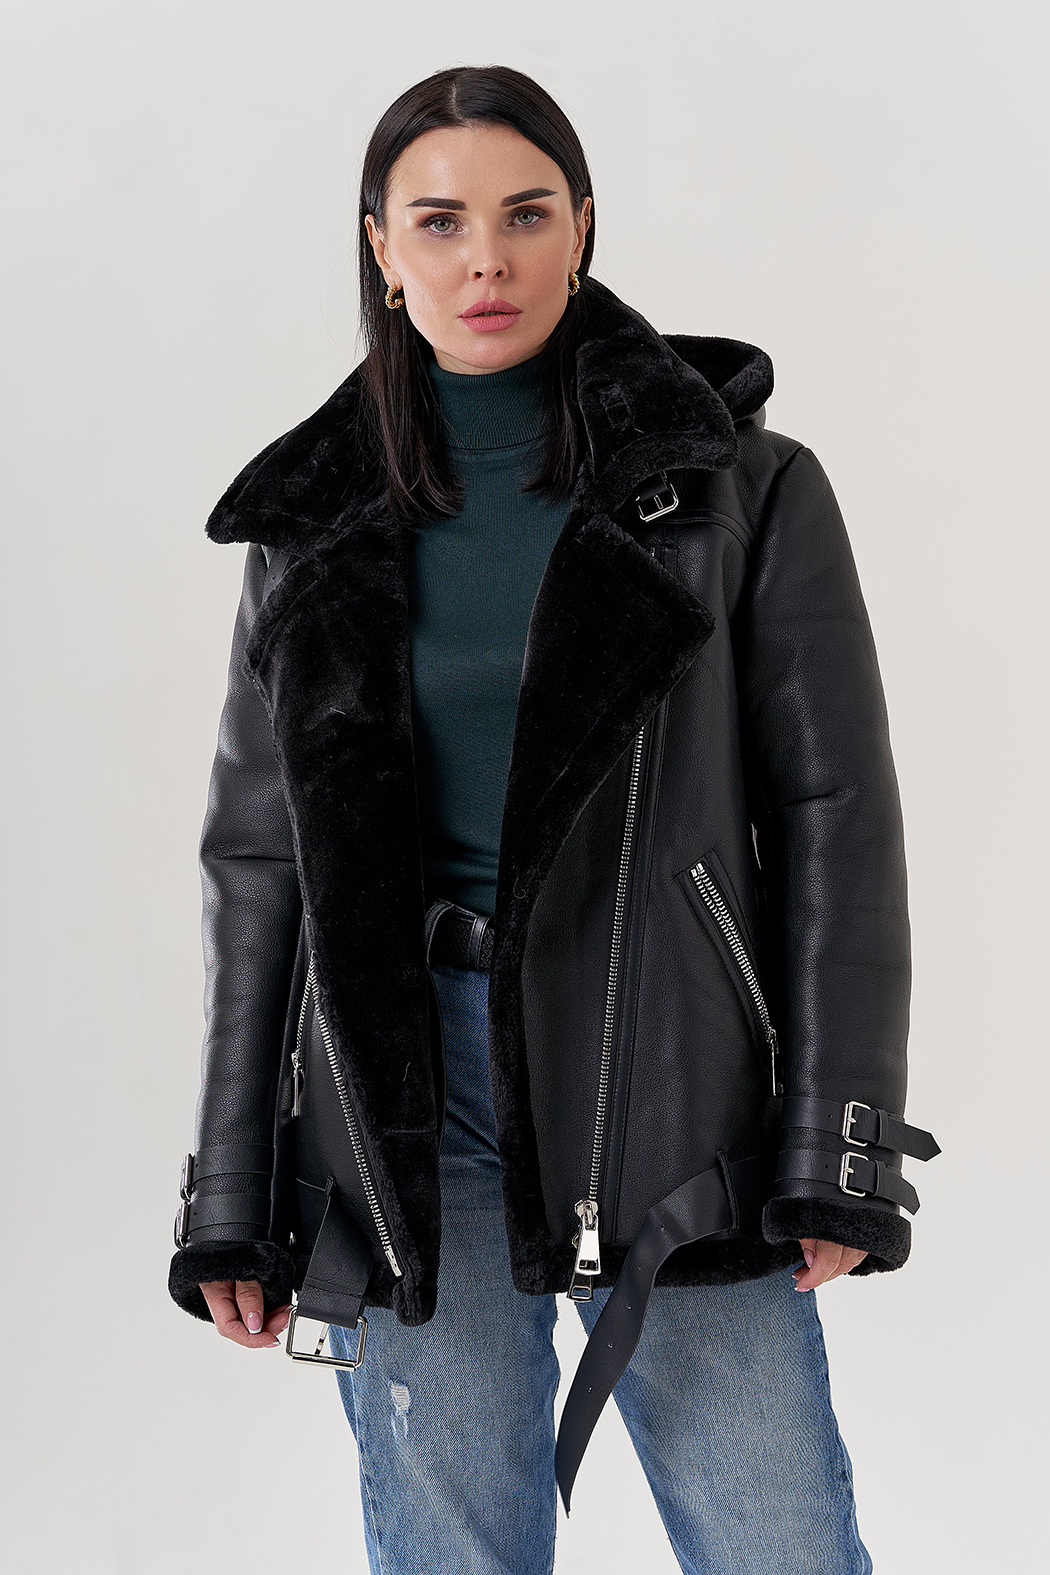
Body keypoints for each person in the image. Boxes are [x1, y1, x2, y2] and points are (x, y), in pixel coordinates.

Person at [167, 64, 940, 1575]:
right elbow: (257, 860)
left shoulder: (736, 489)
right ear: (380, 246)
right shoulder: (309, 528)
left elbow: (838, 816)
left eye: (525, 215)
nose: (486, 260)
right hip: (400, 1100)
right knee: (451, 1552)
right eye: (439, 221)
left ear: (582, 225)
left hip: (675, 1094)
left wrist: (833, 1143)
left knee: (776, 1543)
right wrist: (232, 1190)